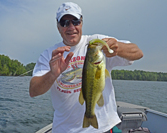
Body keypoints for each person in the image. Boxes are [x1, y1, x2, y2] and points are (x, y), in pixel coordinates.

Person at [29, 2, 143, 133]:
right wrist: (52, 74)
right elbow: (33, 91)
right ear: (58, 26)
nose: (71, 27)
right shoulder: (49, 55)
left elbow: (138, 53)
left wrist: (118, 47)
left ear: (81, 22)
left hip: (103, 128)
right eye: (65, 22)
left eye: (75, 21)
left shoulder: (96, 42)